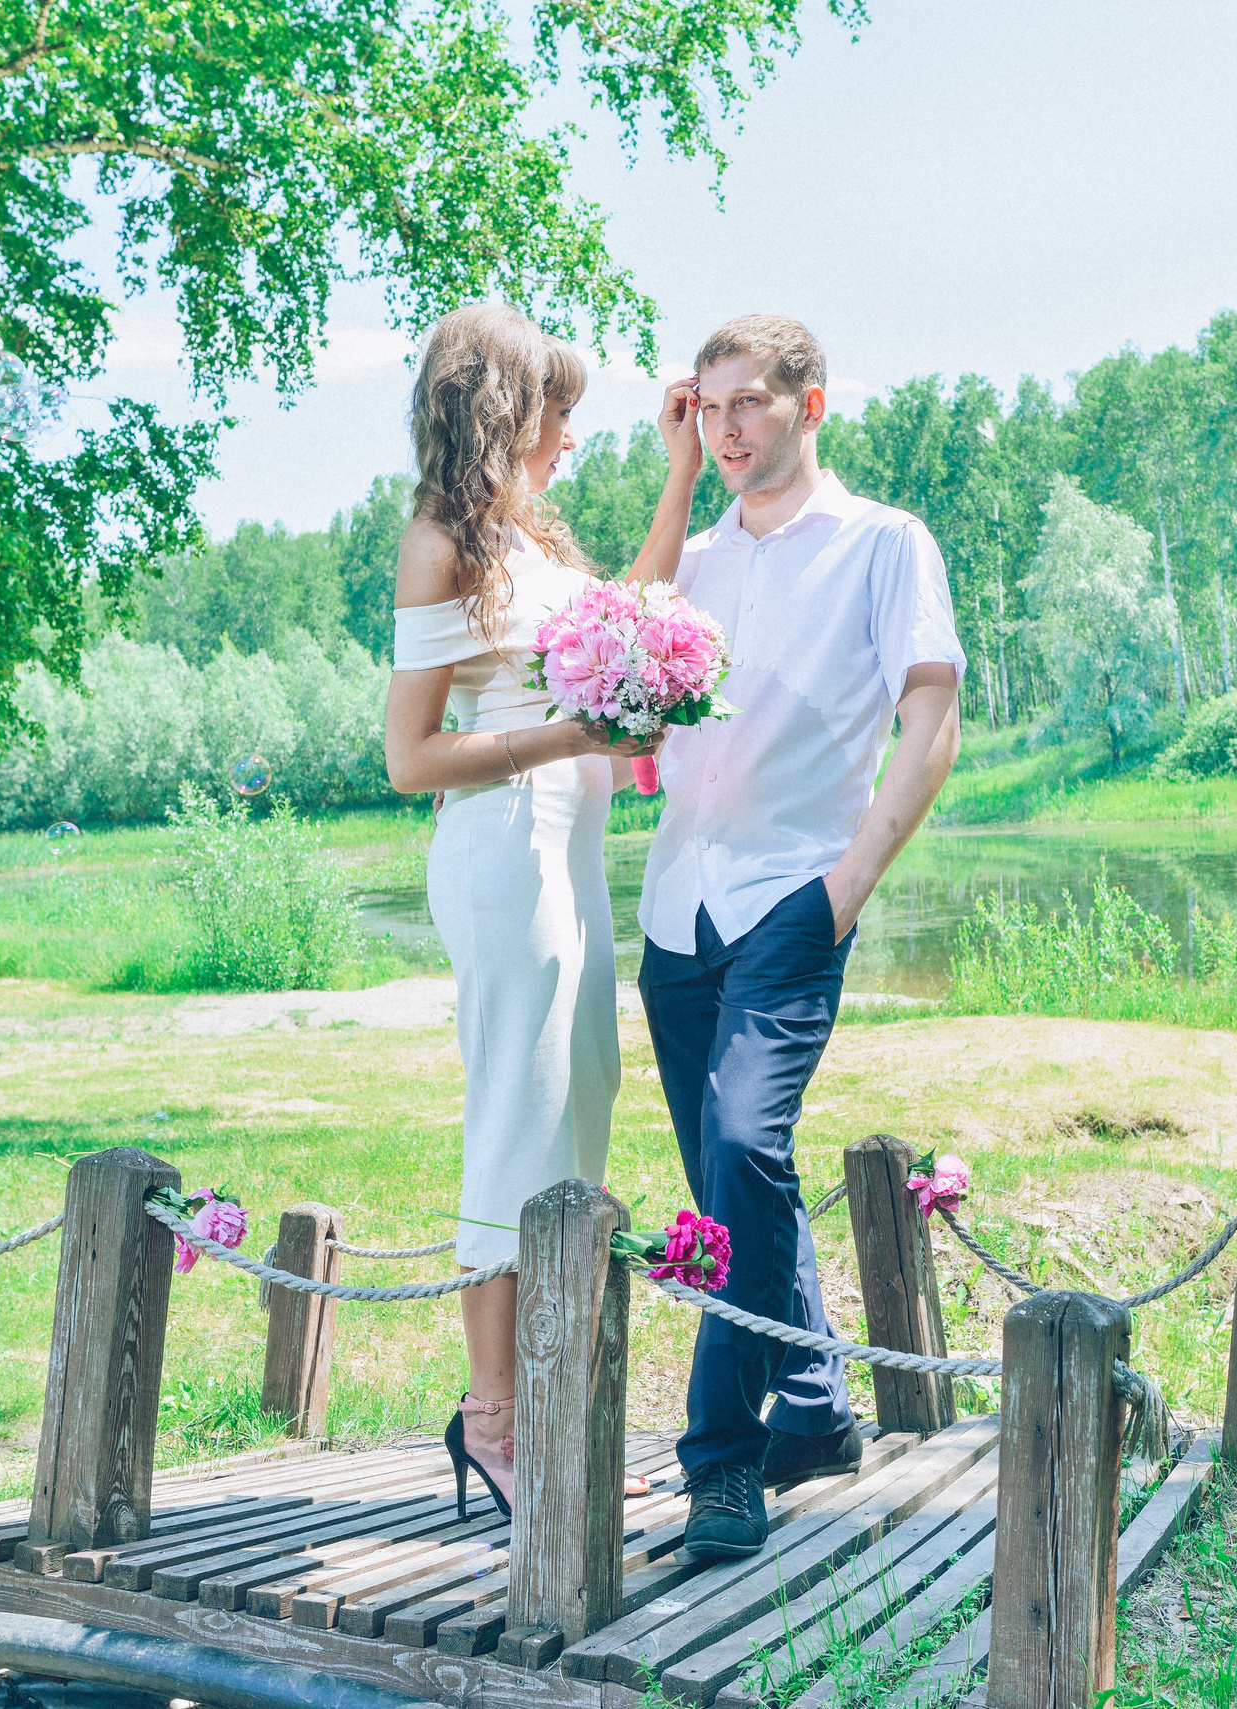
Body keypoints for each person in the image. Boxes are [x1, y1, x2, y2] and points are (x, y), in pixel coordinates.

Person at [624, 314, 966, 1558]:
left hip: (793, 892)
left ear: (808, 405)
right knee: (733, 1180)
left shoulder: (883, 543)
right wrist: (673, 477)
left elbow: (931, 713)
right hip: (677, 903)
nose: (726, 429)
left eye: (749, 404)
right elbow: (622, 676)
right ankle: (814, 1406)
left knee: (739, 1142)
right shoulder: (695, 556)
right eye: (707, 408)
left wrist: (848, 886)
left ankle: (721, 1458)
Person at [383, 303, 659, 1521]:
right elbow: (409, 756)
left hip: (570, 848)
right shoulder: (438, 544)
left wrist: (681, 471)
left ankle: (555, 1413)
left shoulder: (529, 539)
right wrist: (568, 736)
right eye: (559, 408)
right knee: (516, 1119)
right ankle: (494, 1420)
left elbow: (634, 616)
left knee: (576, 1109)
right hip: (502, 847)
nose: (572, 434)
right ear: (504, 408)